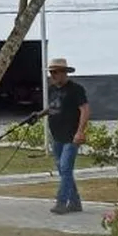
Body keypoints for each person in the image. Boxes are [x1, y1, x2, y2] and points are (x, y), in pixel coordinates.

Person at [35, 58, 90, 214]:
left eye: (55, 72)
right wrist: (39, 114)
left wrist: (80, 131)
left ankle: (61, 202)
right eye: (51, 72)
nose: (52, 75)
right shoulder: (52, 89)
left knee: (65, 168)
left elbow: (85, 110)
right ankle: (75, 202)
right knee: (63, 170)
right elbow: (53, 107)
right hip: (57, 136)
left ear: (64, 73)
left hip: (71, 136)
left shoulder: (76, 89)